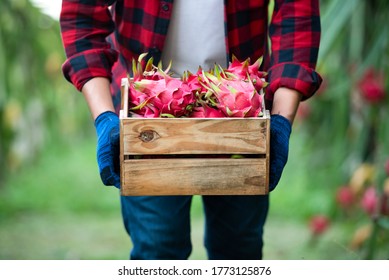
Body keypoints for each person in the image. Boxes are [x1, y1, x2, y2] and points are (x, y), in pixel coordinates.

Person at [60, 0, 322, 260]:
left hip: (243, 112)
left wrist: (280, 119)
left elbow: (296, 13)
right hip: (147, 110)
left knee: (239, 250)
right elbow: (81, 15)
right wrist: (105, 117)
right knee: (157, 250)